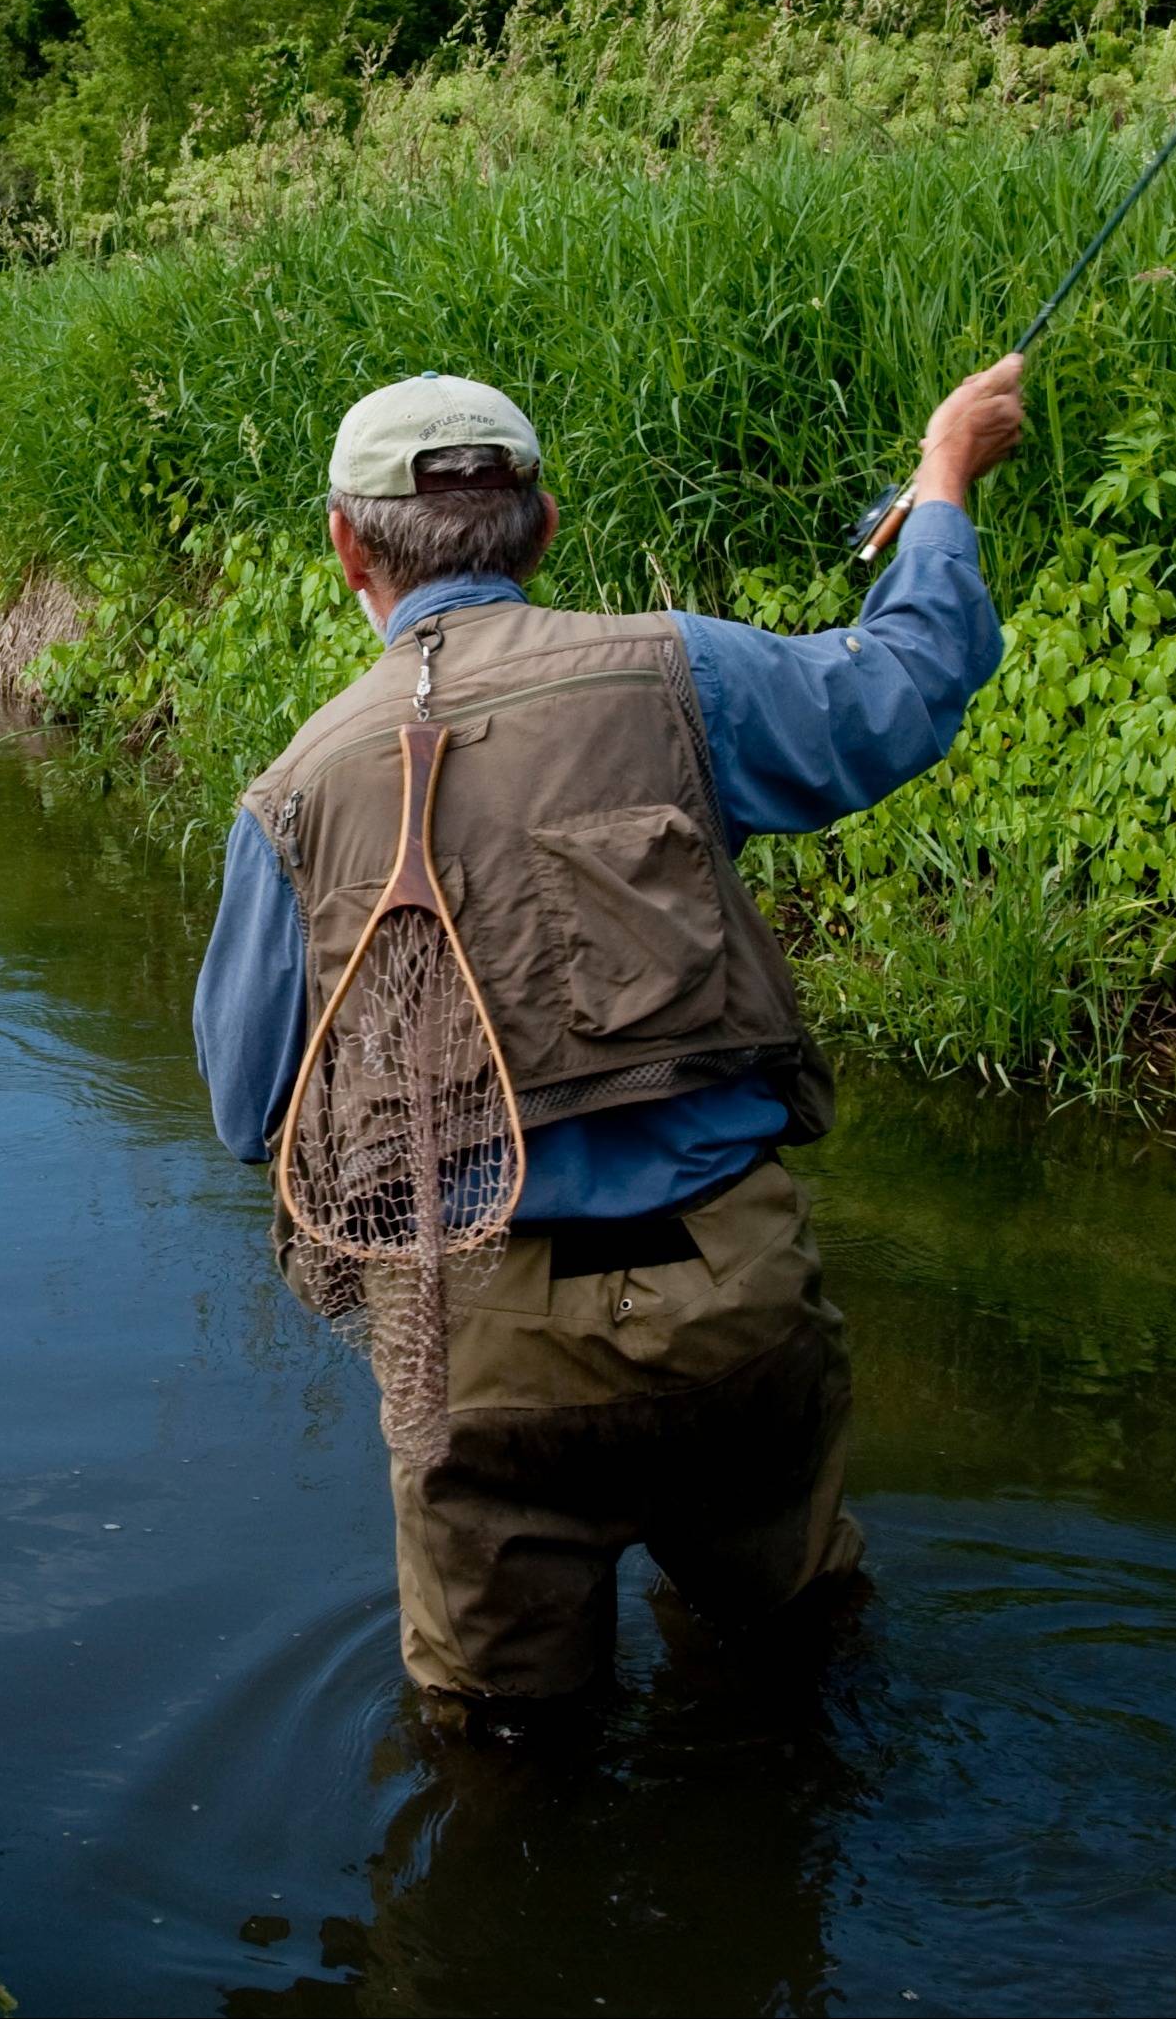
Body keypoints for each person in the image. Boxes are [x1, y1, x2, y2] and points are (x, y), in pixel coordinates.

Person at [194, 356, 1026, 1702]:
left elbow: (247, 1117)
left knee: (500, 1760)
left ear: (345, 544)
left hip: (475, 1346)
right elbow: (910, 679)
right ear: (545, 524)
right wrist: (941, 475)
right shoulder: (679, 672)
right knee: (792, 1671)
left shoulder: (287, 799)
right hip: (732, 1309)